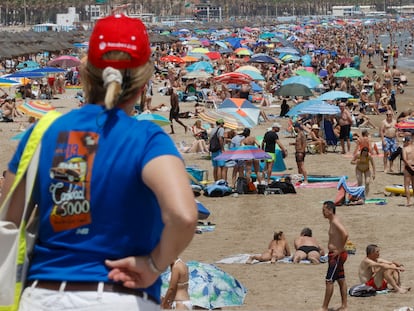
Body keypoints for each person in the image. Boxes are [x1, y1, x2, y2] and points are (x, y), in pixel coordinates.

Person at [1, 14, 197, 311]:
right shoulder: (146, 138)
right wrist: (154, 265)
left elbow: (8, 218)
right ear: (144, 81)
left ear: (86, 72)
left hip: (45, 295)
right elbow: (183, 217)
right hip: (121, 297)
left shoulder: (44, 132)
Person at [316, 201, 348, 311]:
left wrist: (339, 249)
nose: (322, 212)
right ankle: (344, 306)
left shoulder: (334, 221)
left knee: (329, 280)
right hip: (336, 254)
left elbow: (345, 234)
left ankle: (324, 307)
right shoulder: (332, 221)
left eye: (324, 210)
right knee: (341, 279)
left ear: (330, 210)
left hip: (336, 255)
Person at [402, 134, 414, 206]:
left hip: (408, 167)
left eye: (405, 142)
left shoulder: (405, 149)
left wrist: (410, 167)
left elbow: (404, 159)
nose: (404, 143)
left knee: (406, 185)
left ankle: (408, 201)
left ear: (408, 141)